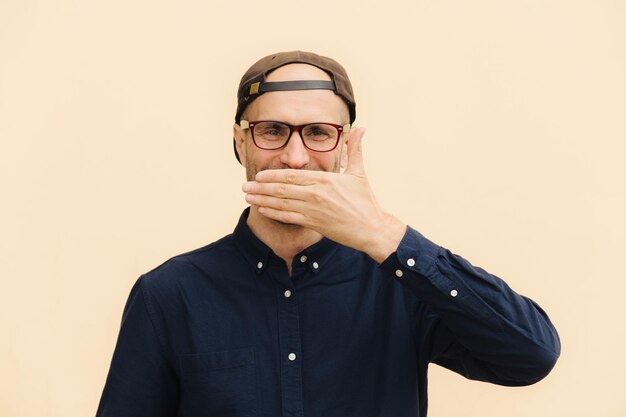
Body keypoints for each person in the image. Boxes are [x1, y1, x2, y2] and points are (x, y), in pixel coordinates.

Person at [96, 51, 560, 417]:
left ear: (345, 145)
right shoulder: (168, 294)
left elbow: (531, 355)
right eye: (272, 130)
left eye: (318, 132)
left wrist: (383, 235)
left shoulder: (401, 280)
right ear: (240, 141)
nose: (295, 158)